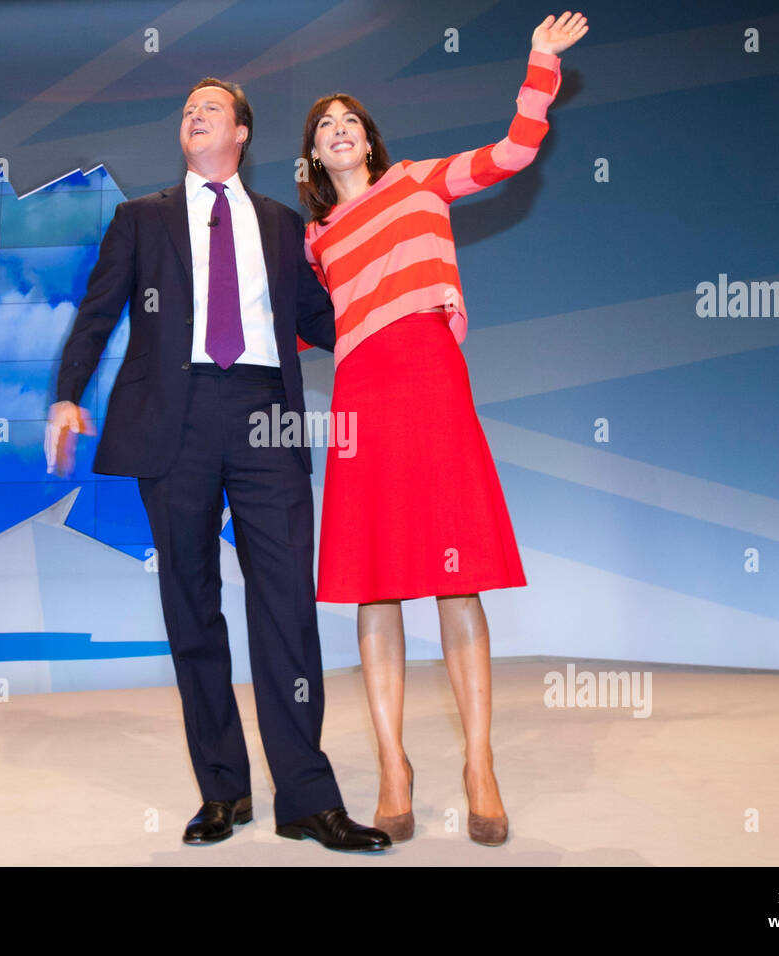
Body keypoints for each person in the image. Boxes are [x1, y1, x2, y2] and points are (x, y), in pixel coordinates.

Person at [45, 77, 390, 852]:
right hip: (176, 418)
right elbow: (98, 313)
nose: (193, 115)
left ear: (241, 132)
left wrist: (403, 326)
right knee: (191, 605)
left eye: (209, 107)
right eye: (186, 109)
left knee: (287, 609)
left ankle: (306, 797)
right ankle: (223, 790)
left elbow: (323, 320)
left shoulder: (277, 224)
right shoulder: (141, 220)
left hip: (266, 411)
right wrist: (66, 394)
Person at [298, 11, 588, 845]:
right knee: (375, 582)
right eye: (326, 127)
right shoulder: (314, 241)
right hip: (361, 395)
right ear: (316, 156)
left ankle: (479, 764)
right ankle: (393, 765)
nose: (341, 131)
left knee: (454, 575)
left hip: (428, 376)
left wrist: (539, 64)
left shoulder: (420, 181)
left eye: (351, 121)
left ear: (372, 141)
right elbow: (293, 327)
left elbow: (513, 153)